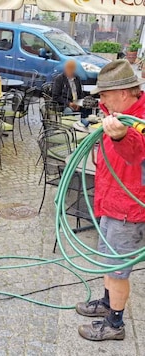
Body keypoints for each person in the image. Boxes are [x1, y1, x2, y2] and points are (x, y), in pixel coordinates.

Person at [75, 59, 145, 341]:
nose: (100, 100)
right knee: (108, 261)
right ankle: (106, 304)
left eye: (104, 94)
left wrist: (120, 138)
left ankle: (115, 324)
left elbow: (138, 154)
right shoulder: (117, 113)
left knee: (117, 269)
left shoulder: (137, 122)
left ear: (124, 93)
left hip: (129, 208)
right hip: (110, 201)